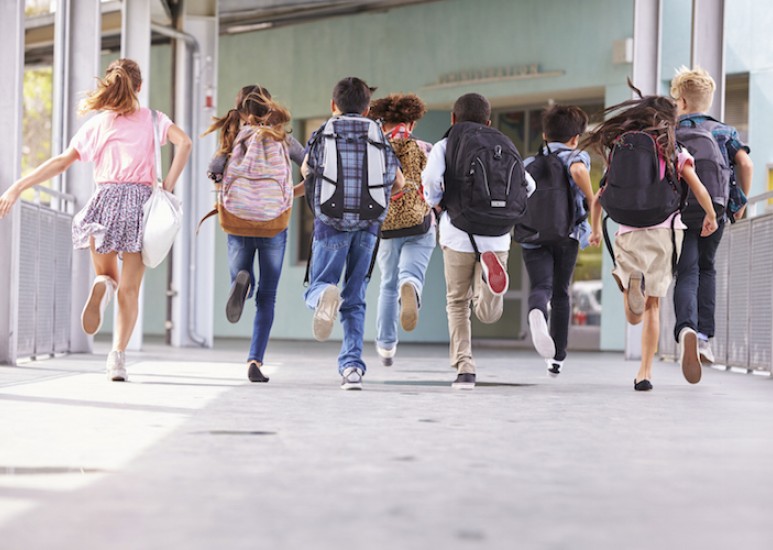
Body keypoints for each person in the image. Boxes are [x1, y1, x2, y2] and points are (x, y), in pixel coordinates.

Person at [0, 58, 191, 381]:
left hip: (103, 202)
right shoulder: (153, 119)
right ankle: (117, 358)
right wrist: (167, 185)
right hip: (139, 207)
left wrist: (18, 186)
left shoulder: (98, 125)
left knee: (106, 275)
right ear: (139, 87)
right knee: (129, 290)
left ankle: (102, 284)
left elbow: (61, 162)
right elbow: (184, 143)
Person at [585, 86, 718, 391]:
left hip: (627, 231)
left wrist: (594, 230)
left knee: (633, 315)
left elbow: (597, 199)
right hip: (664, 231)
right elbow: (697, 187)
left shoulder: (621, 148)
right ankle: (645, 372)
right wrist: (710, 215)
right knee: (652, 306)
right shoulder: (672, 148)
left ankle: (634, 285)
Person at [298, 77, 404, 390]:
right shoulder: (378, 134)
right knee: (355, 297)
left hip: (330, 222)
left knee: (319, 284)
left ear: (334, 105)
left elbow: (307, 170)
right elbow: (398, 181)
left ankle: (323, 296)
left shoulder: (324, 132)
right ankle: (352, 368)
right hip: (369, 225)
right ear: (368, 108)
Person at [423, 93, 534, 389]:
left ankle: (465, 368)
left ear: (453, 118)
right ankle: (489, 284)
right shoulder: (503, 143)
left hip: (458, 234)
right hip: (497, 238)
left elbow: (430, 179)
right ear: (489, 121)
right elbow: (529, 185)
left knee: (457, 303)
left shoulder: (446, 144)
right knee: (488, 313)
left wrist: (435, 202)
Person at [203, 85, 305, 383]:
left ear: (241, 111)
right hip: (274, 222)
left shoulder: (233, 137)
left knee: (241, 276)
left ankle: (242, 283)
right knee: (268, 297)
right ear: (269, 109)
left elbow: (214, 171)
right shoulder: (283, 138)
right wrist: (290, 194)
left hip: (238, 219)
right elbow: (311, 167)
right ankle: (255, 360)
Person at [670, 67, 754, 372]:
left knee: (686, 271)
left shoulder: (670, 132)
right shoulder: (724, 131)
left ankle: (686, 328)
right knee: (706, 268)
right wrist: (740, 202)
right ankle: (704, 338)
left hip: (678, 211)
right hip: (715, 210)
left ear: (681, 101)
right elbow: (746, 164)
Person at [520, 105, 595, 377]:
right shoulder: (577, 156)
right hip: (567, 234)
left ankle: (537, 311)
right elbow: (578, 172)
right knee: (561, 292)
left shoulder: (528, 163)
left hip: (533, 234)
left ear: (544, 135)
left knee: (542, 286)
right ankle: (557, 358)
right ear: (576, 137)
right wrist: (592, 200)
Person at [368, 93, 436, 367]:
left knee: (387, 284)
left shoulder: (375, 148)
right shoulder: (425, 147)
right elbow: (436, 187)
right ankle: (411, 287)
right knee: (410, 274)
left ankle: (386, 346)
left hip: (386, 226)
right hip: (420, 223)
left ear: (381, 122)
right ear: (412, 122)